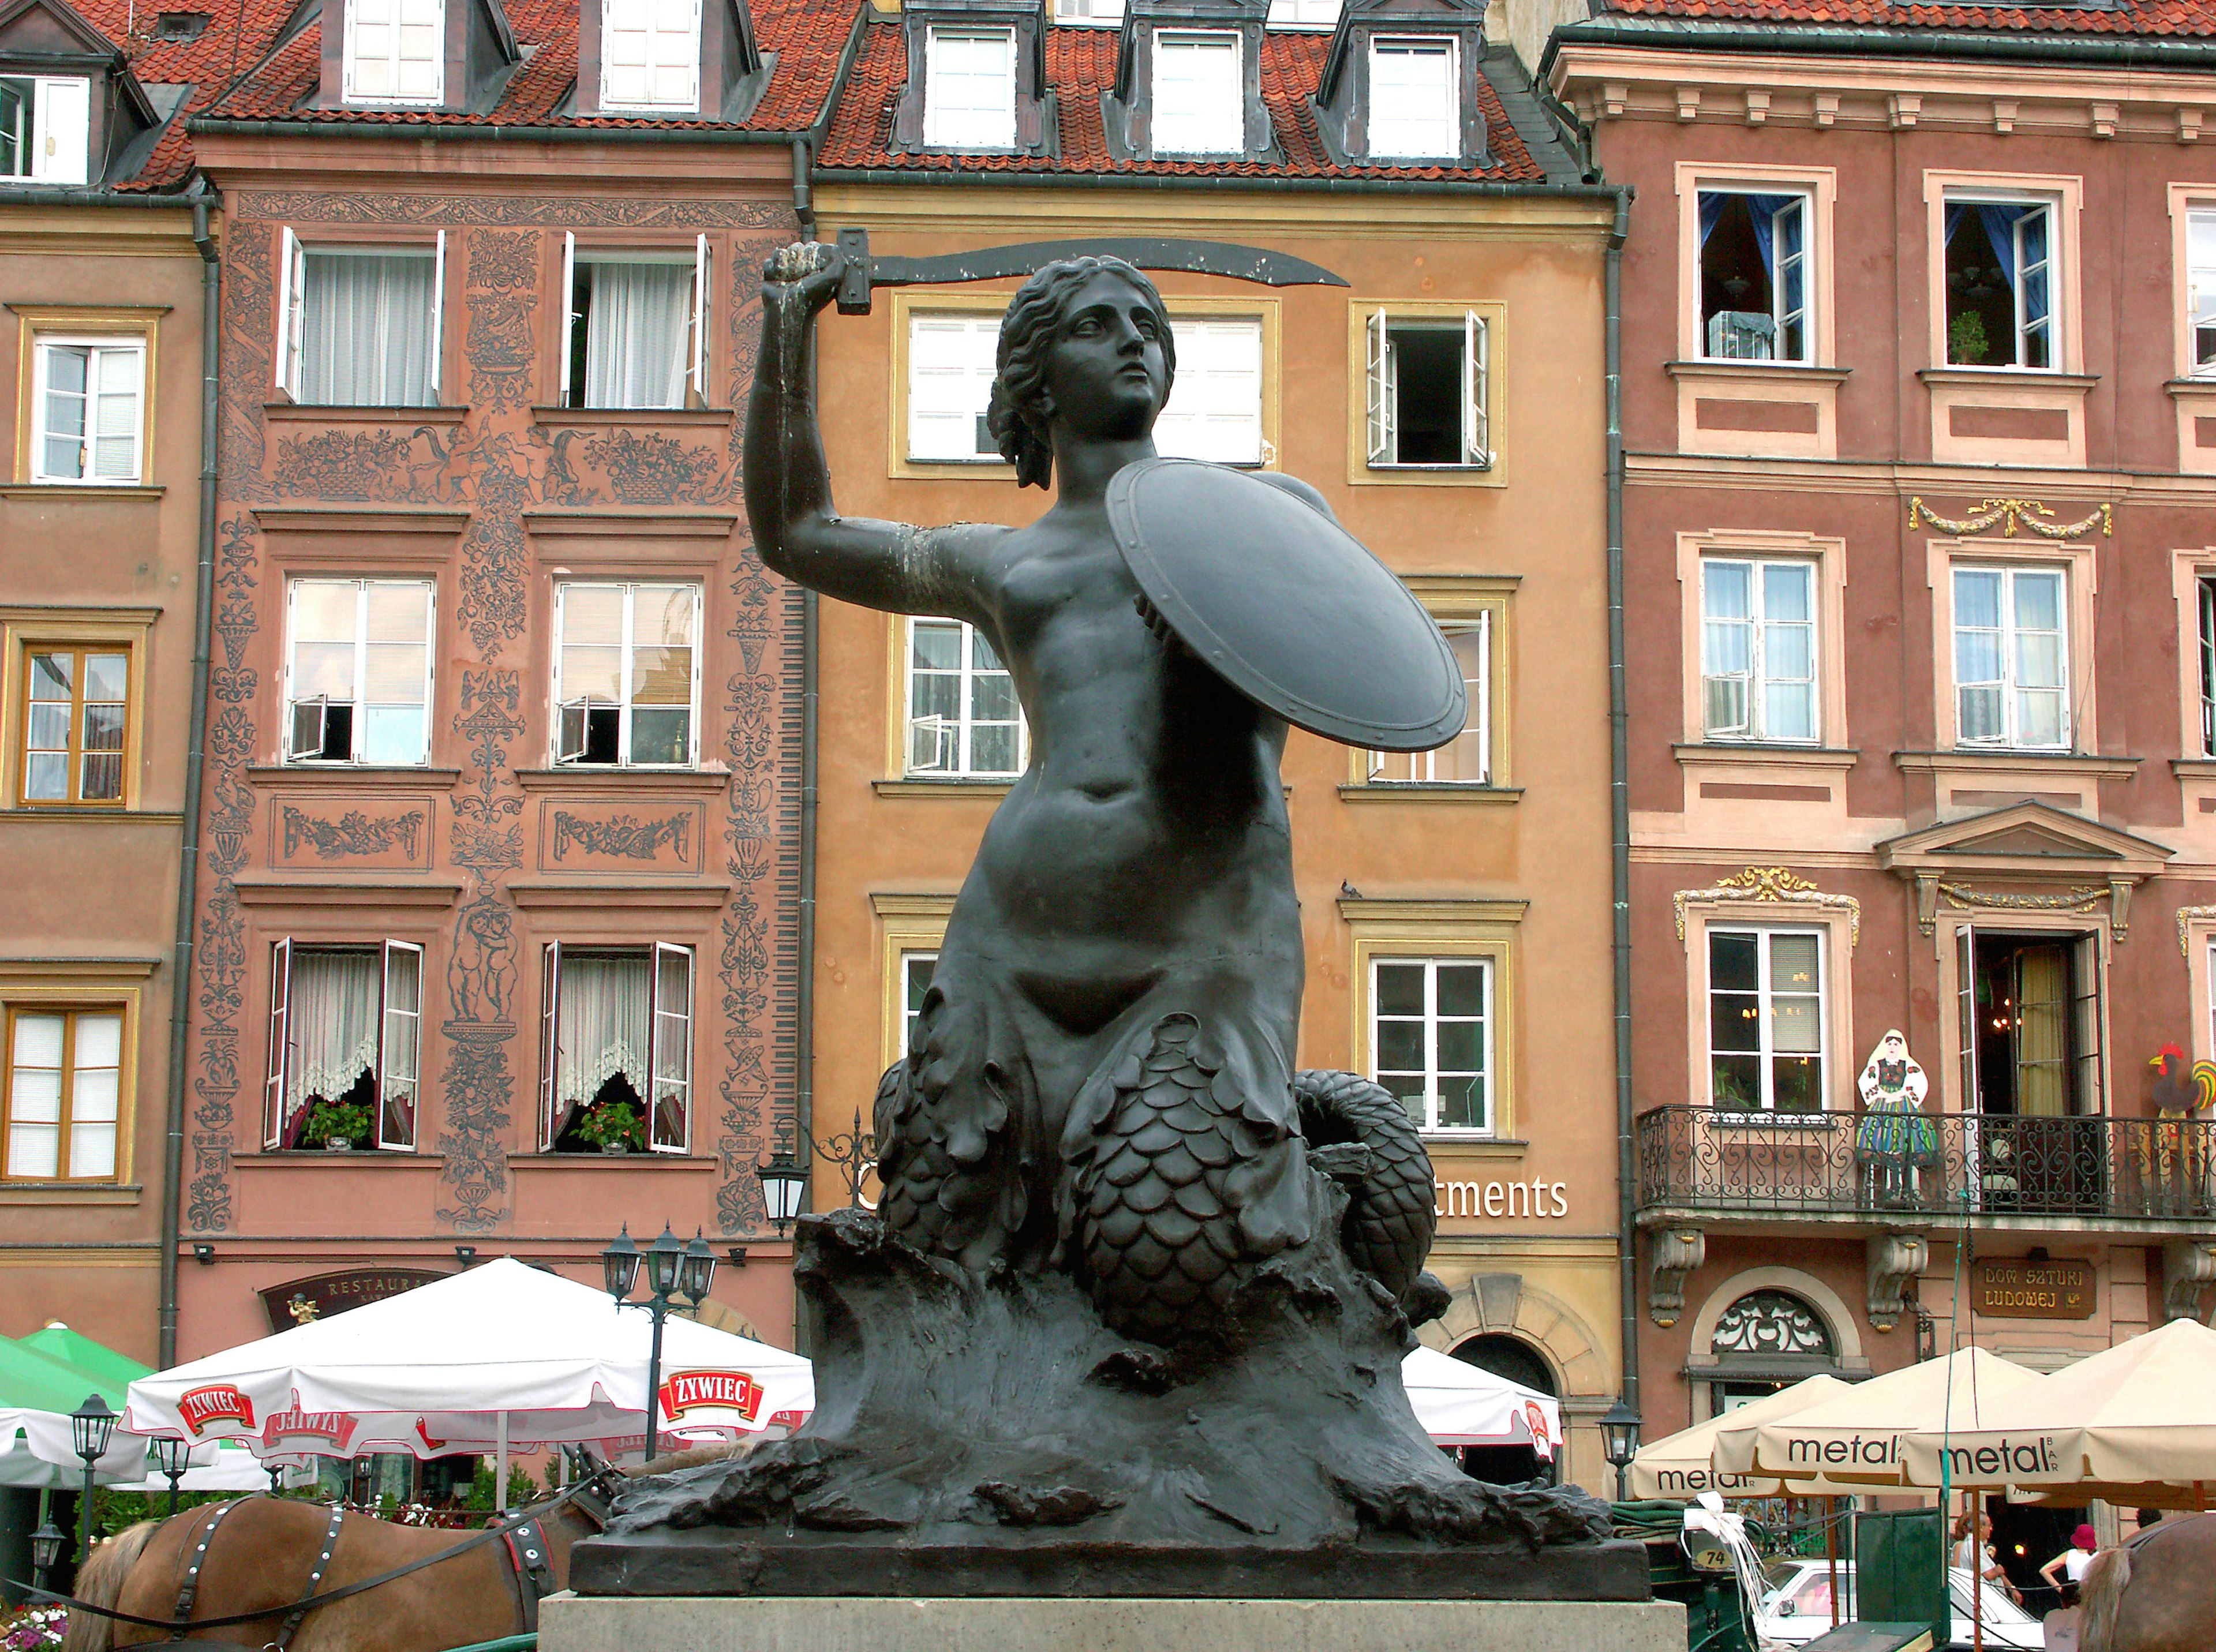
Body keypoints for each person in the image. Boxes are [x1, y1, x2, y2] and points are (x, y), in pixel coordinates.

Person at [748, 244, 1356, 1336]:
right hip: (1012, 939)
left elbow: (1356, 657)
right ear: (1035, 382)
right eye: (1098, 323)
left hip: (1199, 935)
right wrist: (784, 339)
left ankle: (1347, 1209)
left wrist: (1223, 626)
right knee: (940, 1246)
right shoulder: (998, 561)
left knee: (1165, 1258)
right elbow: (798, 533)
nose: (1135, 338)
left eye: (1149, 323)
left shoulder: (1261, 515)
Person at [1951, 1509, 2020, 1604]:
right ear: (1981, 1527)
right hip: (1986, 1601)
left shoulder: (1977, 1545)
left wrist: (2012, 1589)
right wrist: (1998, 1570)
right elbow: (1988, 1574)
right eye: (1989, 1526)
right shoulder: (1972, 1545)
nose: (1991, 1529)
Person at [2039, 1522, 2099, 1604]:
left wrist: (2062, 1591)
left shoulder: (2070, 1554)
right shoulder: (2099, 1556)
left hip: (2073, 1599)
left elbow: (2044, 1570)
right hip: (2093, 1598)